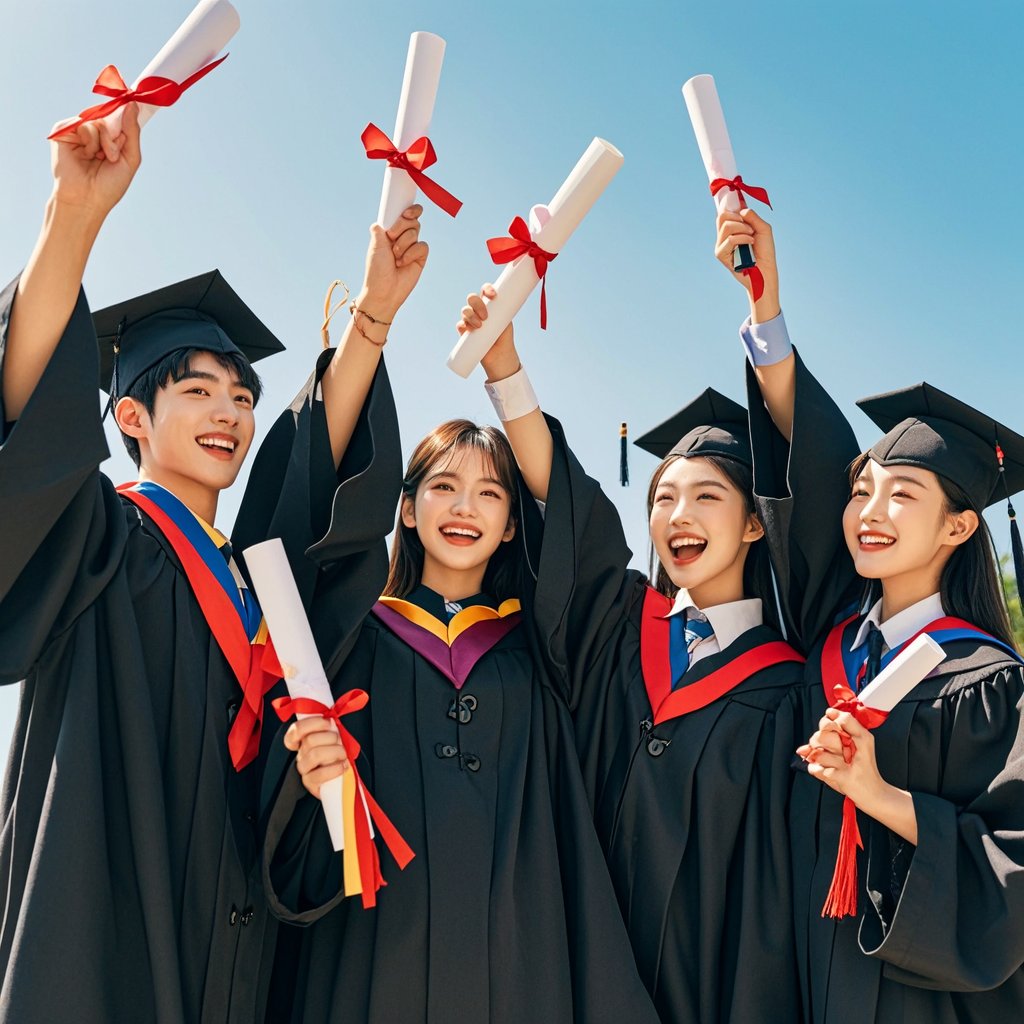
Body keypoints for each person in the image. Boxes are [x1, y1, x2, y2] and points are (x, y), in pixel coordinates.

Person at [0, 103, 427, 1022]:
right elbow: (30, 425)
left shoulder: (257, 583)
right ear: (130, 419)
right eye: (195, 390)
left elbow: (313, 475)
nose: (229, 411)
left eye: (240, 395)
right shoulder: (100, 541)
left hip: (236, 943)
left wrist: (375, 318)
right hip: (109, 926)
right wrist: (72, 220)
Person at [445, 285, 805, 1024]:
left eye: (707, 498)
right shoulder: (621, 624)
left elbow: (773, 902)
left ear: (754, 528)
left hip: (702, 992)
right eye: (664, 498)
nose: (677, 516)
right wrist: (506, 364)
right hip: (565, 969)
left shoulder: (786, 693)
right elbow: (570, 512)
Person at [262, 357, 661, 1019]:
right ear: (408, 511)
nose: (464, 507)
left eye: (490, 493)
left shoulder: (540, 652)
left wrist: (505, 371)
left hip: (518, 966)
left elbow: (581, 536)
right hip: (374, 951)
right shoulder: (353, 642)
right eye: (443, 487)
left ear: (512, 525)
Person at [717, 203, 1024, 1023]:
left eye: (903, 494)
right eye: (862, 491)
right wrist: (764, 307)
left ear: (960, 527)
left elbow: (1015, 868)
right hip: (797, 981)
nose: (867, 510)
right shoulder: (833, 643)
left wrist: (879, 794)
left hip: (917, 997)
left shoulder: (993, 685)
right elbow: (807, 462)